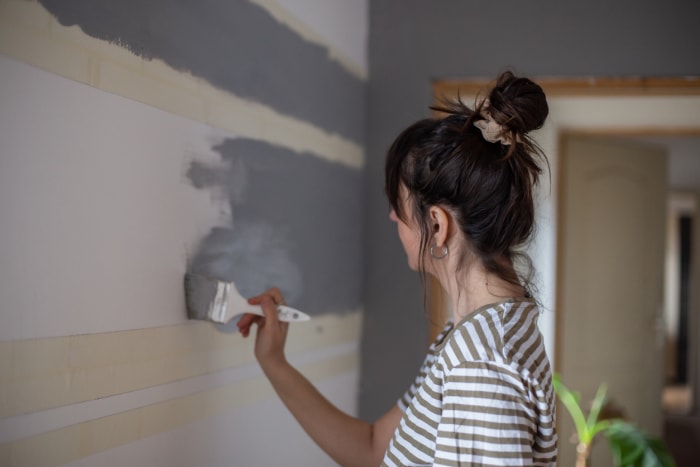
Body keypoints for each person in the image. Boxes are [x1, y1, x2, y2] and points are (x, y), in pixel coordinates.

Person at [237, 70, 557, 466]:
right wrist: (275, 362)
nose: (392, 217)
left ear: (437, 226)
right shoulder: (472, 335)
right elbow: (375, 448)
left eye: (400, 207)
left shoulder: (481, 366)